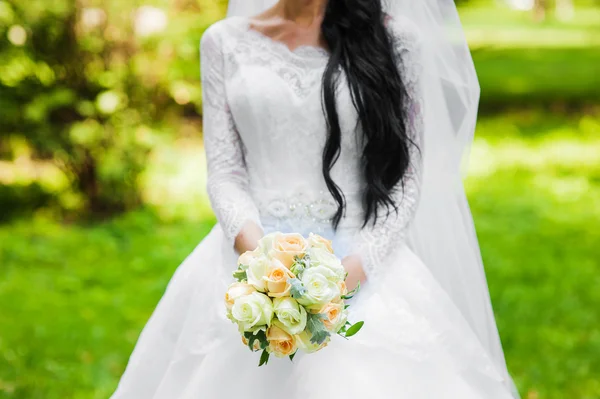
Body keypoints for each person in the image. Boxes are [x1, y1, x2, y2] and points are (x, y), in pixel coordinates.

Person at [111, 0, 519, 397]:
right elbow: (225, 173)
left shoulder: (394, 40)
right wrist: (263, 267)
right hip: (250, 259)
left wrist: (348, 277)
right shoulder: (222, 41)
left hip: (362, 259)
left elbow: (407, 181)